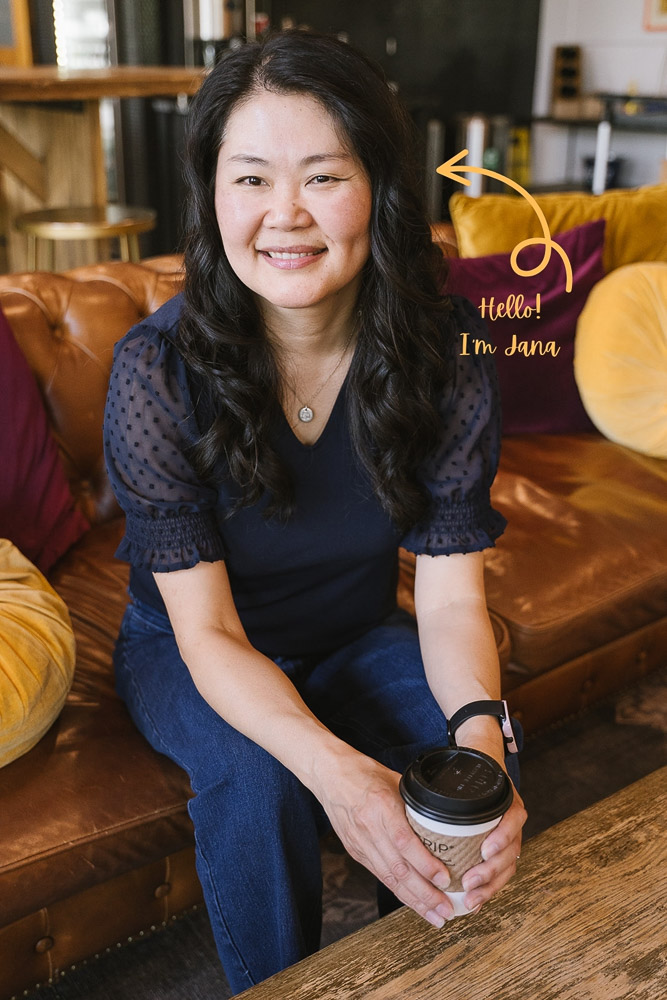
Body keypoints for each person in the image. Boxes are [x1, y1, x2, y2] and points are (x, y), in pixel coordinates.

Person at [103, 29, 527, 995]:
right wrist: (339, 778)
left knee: (460, 777)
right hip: (187, 647)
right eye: (249, 178)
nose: (283, 215)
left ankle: (436, 970)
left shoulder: (444, 348)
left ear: (377, 185)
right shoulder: (154, 371)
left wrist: (482, 752)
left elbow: (454, 601)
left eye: (322, 176)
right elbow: (206, 633)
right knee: (260, 786)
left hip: (349, 628)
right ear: (212, 195)